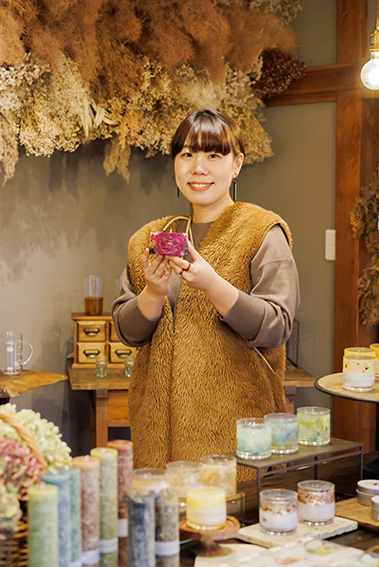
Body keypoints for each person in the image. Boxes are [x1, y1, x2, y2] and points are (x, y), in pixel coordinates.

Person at [112, 109, 300, 471]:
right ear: (174, 165)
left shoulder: (262, 232)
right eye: (187, 154)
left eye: (214, 155)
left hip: (234, 433)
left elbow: (278, 325)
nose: (198, 167)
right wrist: (152, 292)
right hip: (157, 434)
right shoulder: (149, 239)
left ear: (237, 165)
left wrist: (213, 285)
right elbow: (127, 331)